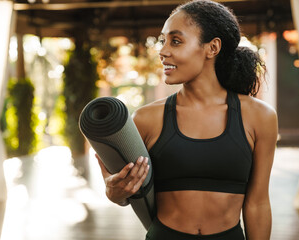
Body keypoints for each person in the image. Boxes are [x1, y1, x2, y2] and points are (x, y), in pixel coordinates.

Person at [96, 0, 278, 239]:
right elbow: (125, 194)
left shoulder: (260, 117)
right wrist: (114, 192)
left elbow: (258, 203)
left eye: (176, 41)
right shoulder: (146, 119)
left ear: (212, 48)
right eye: (163, 41)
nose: (162, 51)